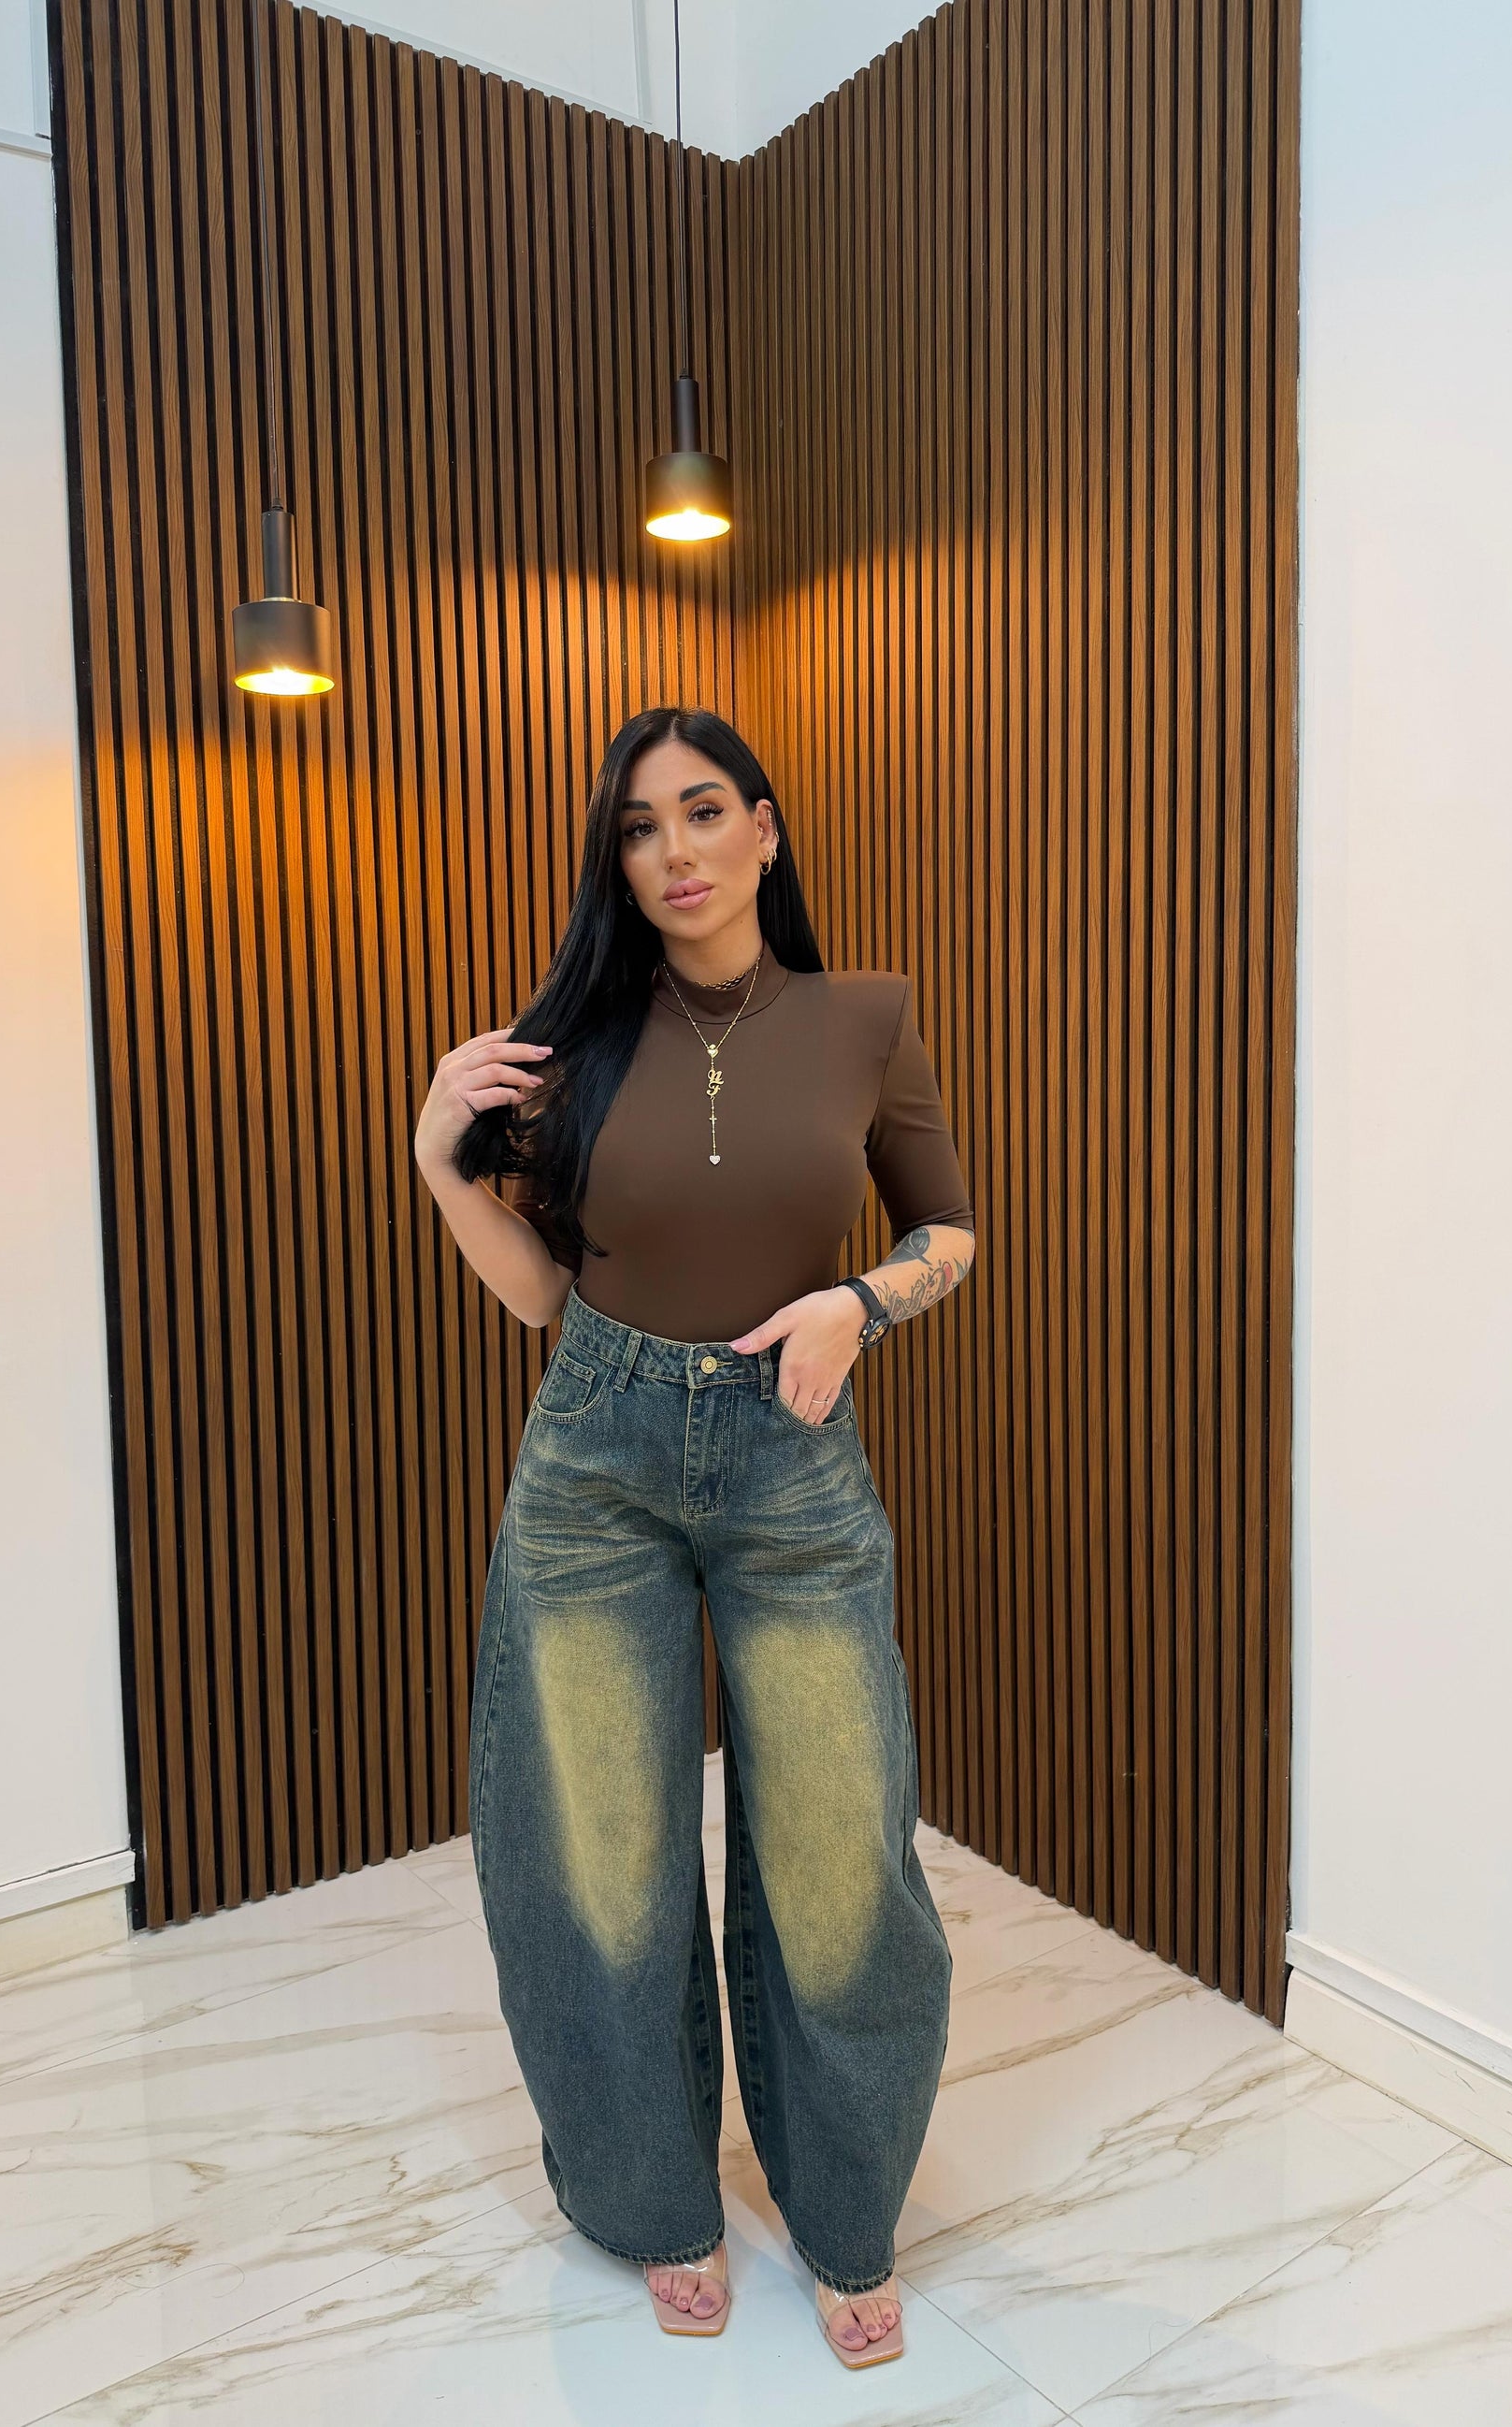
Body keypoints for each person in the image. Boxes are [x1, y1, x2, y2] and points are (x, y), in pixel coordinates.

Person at [412, 706, 975, 2369]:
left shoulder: (864, 1017)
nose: (673, 851)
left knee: (839, 1854)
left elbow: (948, 1227)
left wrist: (861, 1302)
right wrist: (439, 1158)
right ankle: (655, 2201)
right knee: (599, 1856)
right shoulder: (572, 1042)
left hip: (794, 1461)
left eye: (703, 811)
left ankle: (846, 2212)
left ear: (764, 829)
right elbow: (539, 1294)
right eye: (638, 828)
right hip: (596, 1459)